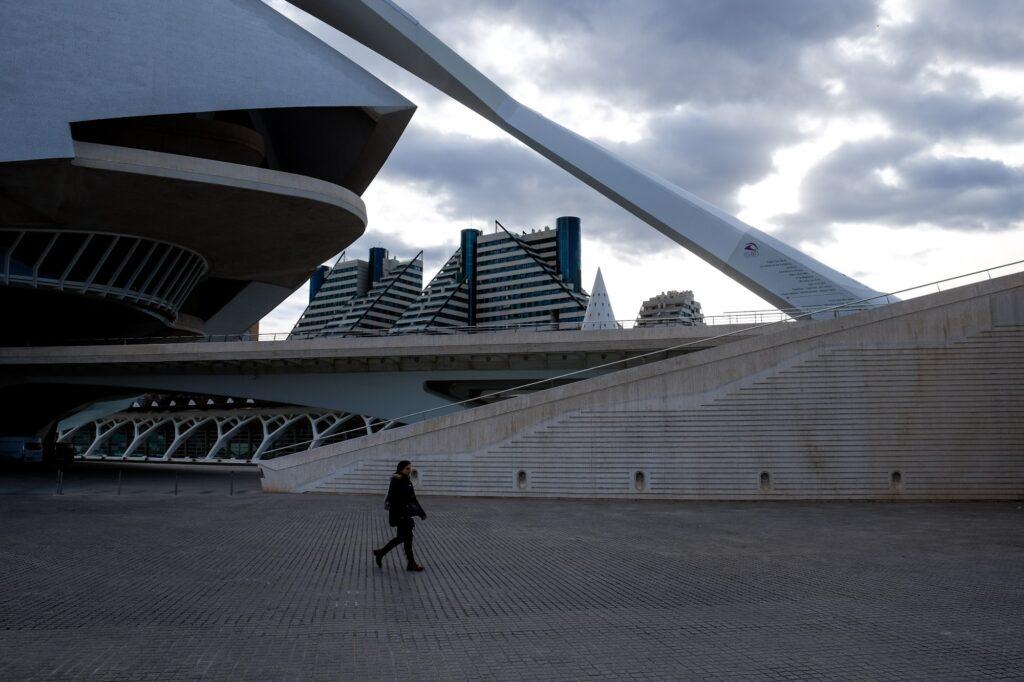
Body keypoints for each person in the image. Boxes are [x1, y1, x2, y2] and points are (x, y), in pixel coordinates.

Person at [372, 460, 427, 571]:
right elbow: (393, 500)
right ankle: (410, 563)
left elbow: (412, 499)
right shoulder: (396, 480)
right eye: (407, 468)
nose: (409, 470)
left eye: (410, 468)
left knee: (403, 538)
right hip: (400, 515)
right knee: (406, 538)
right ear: (401, 469)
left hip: (406, 514)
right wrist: (400, 515)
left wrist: (420, 512)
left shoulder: (407, 481)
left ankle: (381, 553)